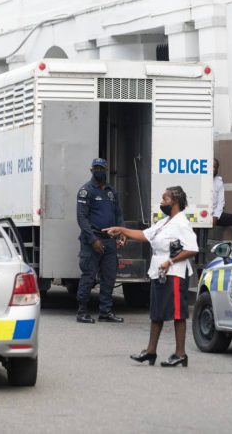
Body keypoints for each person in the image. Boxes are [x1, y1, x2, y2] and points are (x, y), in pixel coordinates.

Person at [104, 186, 198, 367]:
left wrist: (170, 261)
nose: (162, 202)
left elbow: (192, 249)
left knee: (178, 314)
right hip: (159, 272)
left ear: (176, 202)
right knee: (156, 312)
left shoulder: (181, 223)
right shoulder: (165, 222)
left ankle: (180, 354)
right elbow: (144, 235)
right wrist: (121, 230)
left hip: (175, 273)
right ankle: (150, 351)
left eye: (166, 199)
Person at [75, 157, 125, 324]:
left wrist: (122, 231)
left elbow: (118, 214)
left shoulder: (111, 191)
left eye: (102, 169)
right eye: (96, 168)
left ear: (106, 170)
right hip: (92, 241)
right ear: (91, 170)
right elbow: (82, 218)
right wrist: (93, 239)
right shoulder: (86, 190)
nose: (99, 171)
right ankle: (82, 311)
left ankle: (105, 311)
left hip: (109, 241)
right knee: (88, 276)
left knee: (109, 277)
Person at [212, 158, 232, 238]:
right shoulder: (201, 179)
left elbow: (221, 202)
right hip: (201, 214)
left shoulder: (218, 182)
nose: (213, 169)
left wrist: (215, 217)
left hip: (215, 215)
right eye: (211, 166)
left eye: (215, 167)